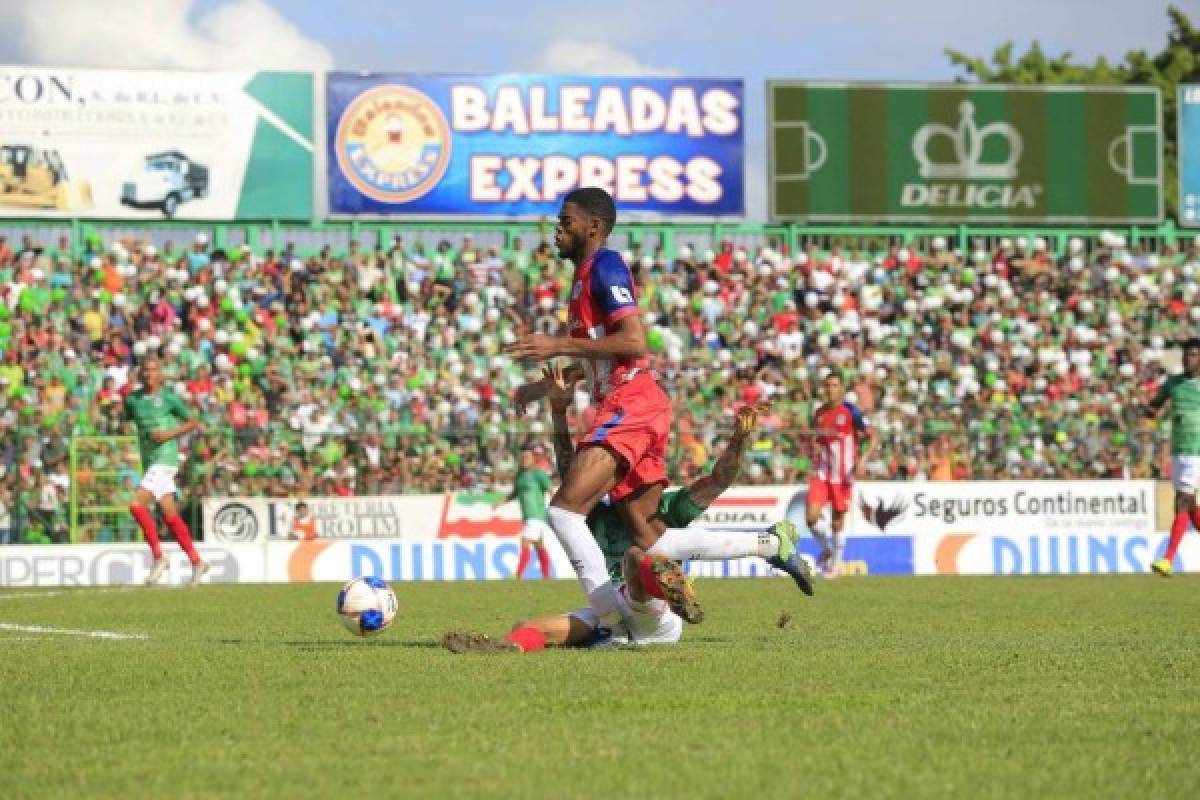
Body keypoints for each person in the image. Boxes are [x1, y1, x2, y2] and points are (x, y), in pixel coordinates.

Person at [443, 370, 812, 654]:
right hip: (612, 611)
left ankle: (668, 582)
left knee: (639, 556)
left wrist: (738, 441)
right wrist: (559, 411)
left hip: (654, 618)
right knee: (541, 627)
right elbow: (572, 470)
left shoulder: (664, 510)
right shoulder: (595, 512)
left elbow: (718, 480)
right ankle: (506, 646)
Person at [504, 188, 695, 625]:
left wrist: (557, 344)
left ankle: (613, 615)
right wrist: (539, 388)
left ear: (593, 228)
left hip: (632, 404)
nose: (558, 229)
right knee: (647, 534)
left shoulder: (604, 265)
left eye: (566, 221)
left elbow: (633, 341)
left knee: (564, 510)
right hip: (629, 404)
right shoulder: (583, 278)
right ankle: (765, 544)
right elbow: (601, 357)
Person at [124, 356, 209, 585]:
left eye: (153, 370)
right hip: (150, 460)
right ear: (140, 374)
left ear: (161, 374)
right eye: (146, 370)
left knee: (136, 505)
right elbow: (127, 421)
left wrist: (168, 434)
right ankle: (197, 562)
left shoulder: (170, 398)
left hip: (165, 458)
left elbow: (192, 422)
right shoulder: (133, 400)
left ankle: (159, 557)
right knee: (170, 515)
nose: (149, 374)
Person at [805, 370, 875, 579]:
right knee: (811, 518)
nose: (830, 390)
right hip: (822, 473)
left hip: (843, 475)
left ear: (842, 389)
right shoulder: (818, 413)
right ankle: (827, 549)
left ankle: (836, 563)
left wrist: (863, 459)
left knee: (837, 521)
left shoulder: (851, 412)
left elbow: (872, 437)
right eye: (827, 386)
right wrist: (814, 447)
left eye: (834, 385)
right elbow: (817, 439)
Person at [1143, 338, 1200, 576]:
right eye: (1187, 355)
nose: (1189, 359)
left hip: (1197, 452)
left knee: (1182, 502)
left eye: (1195, 355)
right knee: (1192, 506)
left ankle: (1168, 559)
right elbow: (1155, 404)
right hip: (1179, 451)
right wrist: (1150, 410)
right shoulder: (1173, 384)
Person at [495, 446, 553, 580]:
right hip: (528, 516)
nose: (524, 460)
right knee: (539, 546)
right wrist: (500, 502)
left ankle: (518, 575)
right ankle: (546, 576)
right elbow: (515, 493)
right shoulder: (520, 475)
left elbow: (550, 490)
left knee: (525, 541)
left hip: (537, 515)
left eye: (527, 457)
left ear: (533, 459)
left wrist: (555, 507)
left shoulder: (538, 474)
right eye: (522, 457)